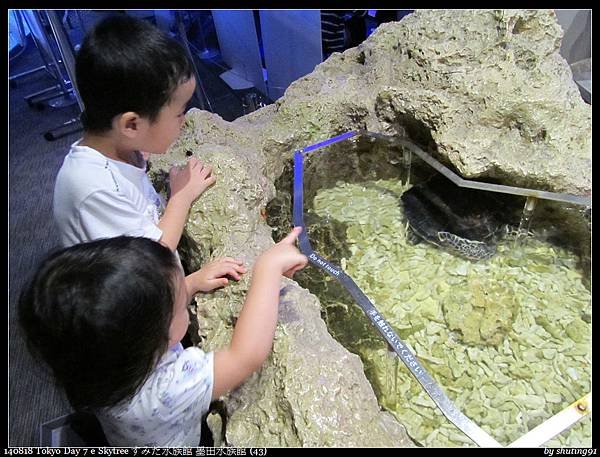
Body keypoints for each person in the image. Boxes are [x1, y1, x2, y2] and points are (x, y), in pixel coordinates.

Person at [18, 228, 308, 446]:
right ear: (154, 339)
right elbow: (246, 355)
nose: (186, 299)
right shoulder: (166, 390)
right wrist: (267, 269)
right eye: (181, 305)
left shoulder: (90, 362)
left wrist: (192, 283)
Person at [53, 14, 213, 261]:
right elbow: (151, 255)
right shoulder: (94, 188)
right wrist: (182, 195)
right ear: (131, 125)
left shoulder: (122, 149)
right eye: (180, 113)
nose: (186, 120)